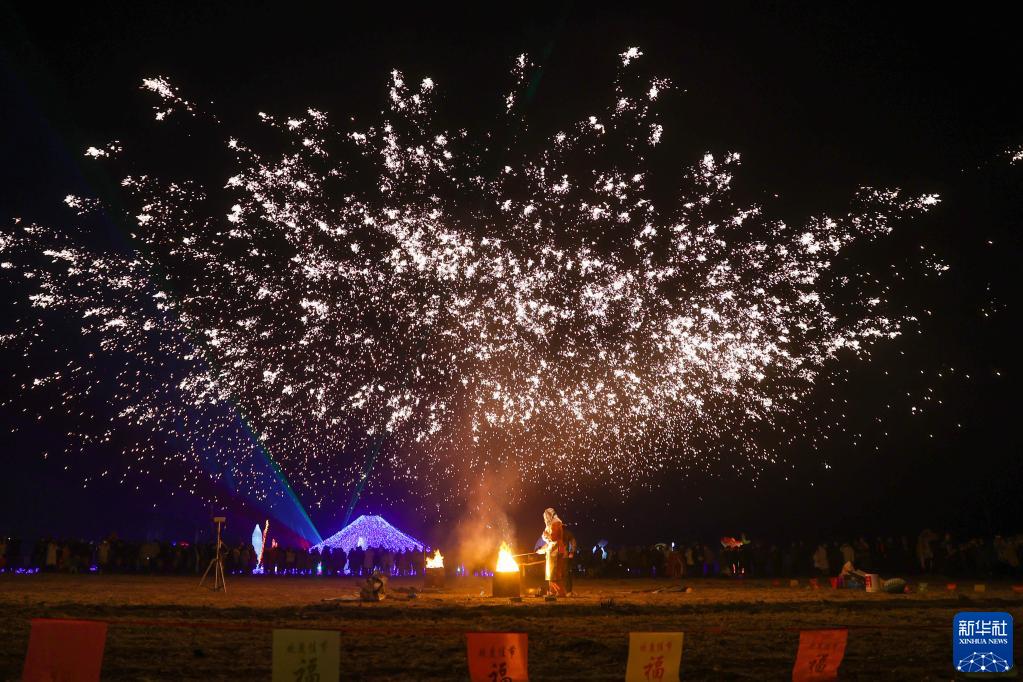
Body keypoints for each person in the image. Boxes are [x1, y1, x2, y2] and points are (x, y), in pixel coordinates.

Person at [536, 508, 567, 597]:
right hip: (554, 550)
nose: (545, 518)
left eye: (546, 516)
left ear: (549, 515)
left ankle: (560, 592)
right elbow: (550, 542)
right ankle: (552, 592)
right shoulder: (553, 524)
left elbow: (553, 538)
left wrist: (546, 535)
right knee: (552, 574)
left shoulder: (555, 523)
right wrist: (542, 550)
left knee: (554, 574)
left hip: (556, 551)